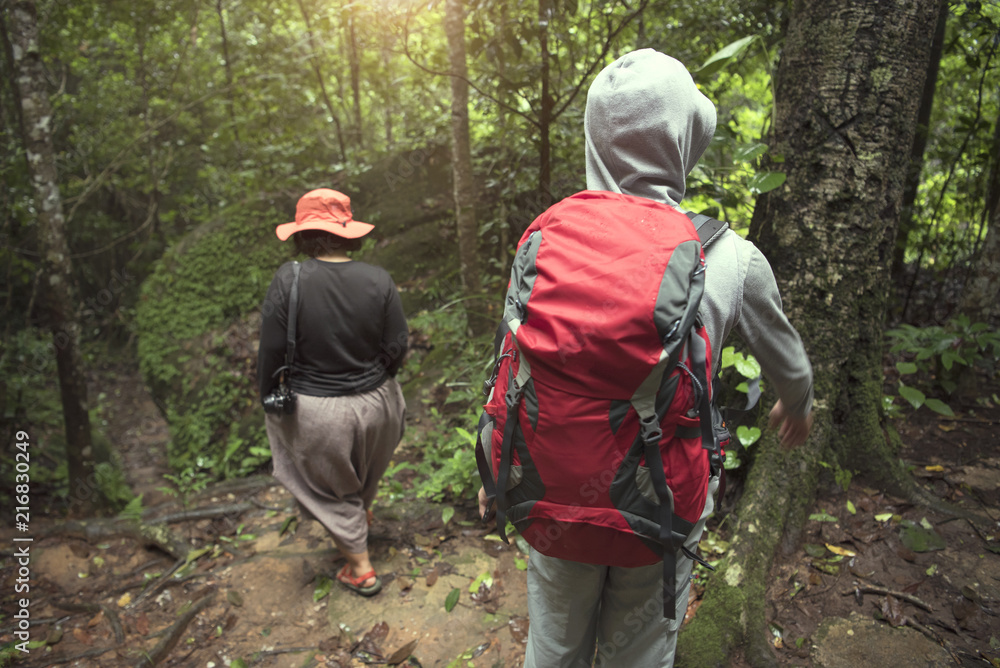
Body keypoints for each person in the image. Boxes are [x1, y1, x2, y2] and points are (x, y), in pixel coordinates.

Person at [478, 49, 814, 666]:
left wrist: (496, 465)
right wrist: (798, 406)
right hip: (661, 501)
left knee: (554, 643)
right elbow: (789, 364)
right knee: (641, 647)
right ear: (684, 137)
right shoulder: (730, 257)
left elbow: (513, 358)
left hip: (549, 491)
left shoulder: (547, 237)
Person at [258, 188, 408, 597]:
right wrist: (377, 381)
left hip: (317, 412)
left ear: (303, 235)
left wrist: (267, 394)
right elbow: (398, 346)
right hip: (379, 406)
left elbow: (271, 351)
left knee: (323, 484)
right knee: (357, 467)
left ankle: (359, 567)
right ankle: (359, 512)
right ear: (349, 233)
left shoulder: (289, 280)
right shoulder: (379, 279)